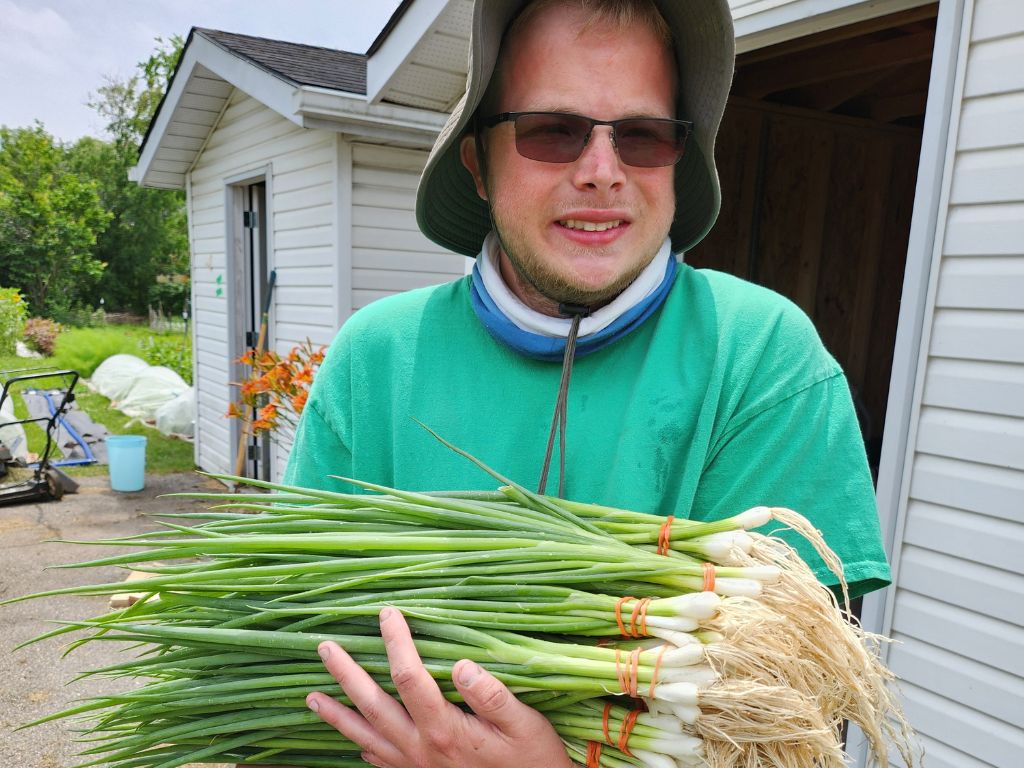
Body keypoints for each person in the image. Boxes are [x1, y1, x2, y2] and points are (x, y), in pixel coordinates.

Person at [286, 1, 892, 765]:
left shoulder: (764, 359)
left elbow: (778, 735)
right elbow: (296, 669)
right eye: (552, 129)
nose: (601, 172)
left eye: (642, 136)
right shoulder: (376, 360)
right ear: (478, 161)